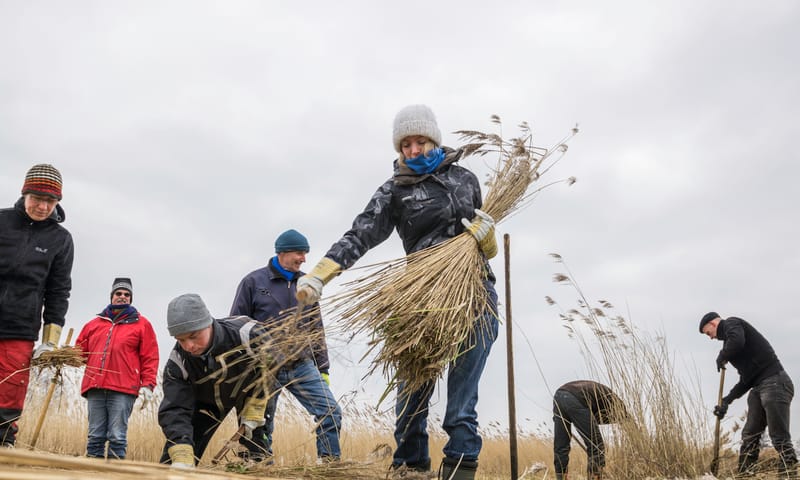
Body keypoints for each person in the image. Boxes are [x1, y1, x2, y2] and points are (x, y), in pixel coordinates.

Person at [296, 104, 499, 480]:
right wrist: (321, 274)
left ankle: (459, 465)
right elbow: (361, 233)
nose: (413, 150)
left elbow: (480, 231)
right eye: (405, 144)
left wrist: (489, 246)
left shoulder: (465, 179)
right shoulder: (394, 191)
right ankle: (411, 469)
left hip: (475, 295)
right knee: (411, 399)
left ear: (434, 139)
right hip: (421, 301)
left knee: (461, 403)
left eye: (420, 141)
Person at [230, 229, 341, 462]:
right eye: (299, 253)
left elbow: (316, 329)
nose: (304, 258)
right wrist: (243, 366)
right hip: (264, 366)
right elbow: (235, 325)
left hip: (301, 364)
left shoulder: (307, 284)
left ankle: (330, 467)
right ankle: (259, 468)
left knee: (331, 412)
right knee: (259, 425)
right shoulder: (253, 282)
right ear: (282, 252)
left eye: (305, 253)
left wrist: (323, 368)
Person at [0, 164, 74, 447]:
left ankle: (3, 442)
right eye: (37, 199)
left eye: (50, 201)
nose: (43, 206)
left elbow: (58, 291)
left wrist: (50, 340)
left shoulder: (61, 239)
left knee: (9, 388)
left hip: (20, 327)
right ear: (24, 194)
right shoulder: (2, 221)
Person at [158, 293, 272, 468]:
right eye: (181, 340)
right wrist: (181, 447)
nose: (188, 346)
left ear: (208, 324)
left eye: (194, 336)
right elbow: (175, 408)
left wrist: (257, 401)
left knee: (255, 452)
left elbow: (274, 363)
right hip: (206, 404)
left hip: (247, 396)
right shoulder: (178, 362)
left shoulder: (247, 334)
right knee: (175, 458)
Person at [700, 312, 797, 477]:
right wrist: (726, 401)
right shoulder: (730, 345)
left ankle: (789, 474)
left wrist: (722, 356)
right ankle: (745, 475)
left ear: (714, 324)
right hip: (759, 387)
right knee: (750, 435)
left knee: (778, 436)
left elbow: (737, 341)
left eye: (708, 333)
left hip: (775, 382)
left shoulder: (732, 324)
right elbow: (746, 380)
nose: (711, 338)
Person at [74, 277, 159, 459]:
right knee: (95, 436)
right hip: (95, 387)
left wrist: (148, 385)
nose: (122, 297)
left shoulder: (142, 324)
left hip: (123, 389)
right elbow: (80, 353)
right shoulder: (93, 324)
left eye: (127, 294)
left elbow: (150, 357)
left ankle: (115, 475)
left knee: (117, 436)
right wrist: (66, 357)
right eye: (119, 293)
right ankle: (91, 474)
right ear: (112, 296)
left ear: (131, 298)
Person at [552, 380, 628, 480]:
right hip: (576, 397)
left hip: (559, 396)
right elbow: (627, 421)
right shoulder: (619, 407)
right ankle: (594, 476)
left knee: (561, 445)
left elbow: (591, 420)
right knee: (596, 444)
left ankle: (560, 477)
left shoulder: (603, 401)